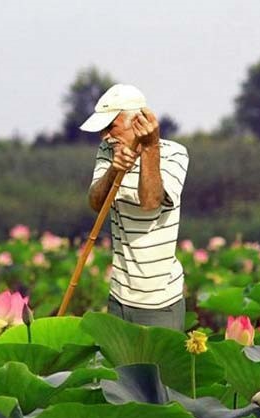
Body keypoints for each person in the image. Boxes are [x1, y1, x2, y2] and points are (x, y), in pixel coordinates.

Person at [80, 84, 189, 331]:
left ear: (138, 122)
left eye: (111, 127)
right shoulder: (107, 151)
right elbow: (96, 203)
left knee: (161, 359)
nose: (105, 136)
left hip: (160, 301)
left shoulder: (174, 154)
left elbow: (151, 203)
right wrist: (114, 170)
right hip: (118, 297)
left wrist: (149, 148)